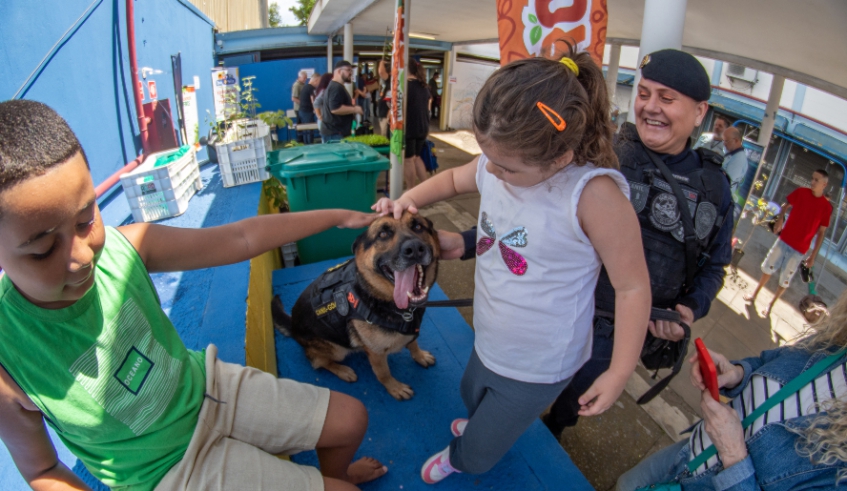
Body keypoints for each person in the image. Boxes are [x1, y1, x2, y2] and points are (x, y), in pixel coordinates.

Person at [0, 100, 387, 491]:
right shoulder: (7, 356)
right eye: (43, 250)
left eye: (86, 220)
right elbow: (42, 470)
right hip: (163, 471)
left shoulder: (125, 247)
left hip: (205, 389)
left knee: (351, 419)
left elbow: (239, 237)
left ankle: (331, 477)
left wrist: (337, 217)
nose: (82, 256)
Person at [373, 52, 652, 484]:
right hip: (490, 333)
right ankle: (481, 425)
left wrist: (618, 371)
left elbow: (633, 287)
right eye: (486, 156)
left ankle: (463, 456)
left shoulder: (593, 196)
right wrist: (407, 202)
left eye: (505, 167)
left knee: (485, 446)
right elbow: (453, 180)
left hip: (540, 361)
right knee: (472, 391)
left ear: (560, 157)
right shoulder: (499, 163)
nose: (491, 170)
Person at [539, 49, 734, 436]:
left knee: (574, 401)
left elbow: (715, 266)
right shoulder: (601, 151)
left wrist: (689, 310)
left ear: (699, 112)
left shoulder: (715, 187)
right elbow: (542, 211)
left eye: (667, 98)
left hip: (617, 334)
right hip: (559, 305)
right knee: (526, 383)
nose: (650, 107)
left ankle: (554, 429)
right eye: (644, 94)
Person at [616, 291, 847, 491]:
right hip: (692, 451)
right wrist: (737, 374)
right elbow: (771, 360)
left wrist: (733, 454)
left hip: (707, 480)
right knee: (626, 483)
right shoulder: (837, 344)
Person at [744, 169, 833, 316]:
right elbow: (785, 205)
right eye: (812, 178)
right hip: (784, 239)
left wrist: (813, 256)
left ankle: (770, 305)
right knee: (768, 268)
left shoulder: (826, 208)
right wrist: (780, 219)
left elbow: (821, 233)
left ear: (824, 184)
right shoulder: (802, 192)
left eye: (816, 180)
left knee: (785, 279)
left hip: (800, 248)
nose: (812, 182)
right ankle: (754, 294)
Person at [404, 59, 433, 189]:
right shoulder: (424, 86)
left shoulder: (405, 87)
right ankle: (426, 188)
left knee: (408, 160)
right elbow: (428, 106)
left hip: (410, 127)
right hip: (423, 127)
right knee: (416, 158)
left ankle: (411, 190)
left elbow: (401, 108)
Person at [323, 60, 363, 142]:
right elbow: (335, 109)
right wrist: (355, 109)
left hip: (336, 132)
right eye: (348, 70)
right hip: (335, 134)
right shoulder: (336, 87)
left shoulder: (337, 86)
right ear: (339, 71)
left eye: (351, 71)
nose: (351, 73)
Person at [721, 126, 747, 192]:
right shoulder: (731, 153)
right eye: (723, 141)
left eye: (726, 141)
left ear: (736, 140)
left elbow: (726, 181)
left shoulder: (738, 159)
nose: (724, 144)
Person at [298, 73, 320, 144]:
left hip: (302, 111)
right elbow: (313, 101)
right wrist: (316, 111)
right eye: (319, 82)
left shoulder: (305, 87)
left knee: (305, 130)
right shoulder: (311, 88)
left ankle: (307, 144)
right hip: (307, 112)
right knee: (309, 130)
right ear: (316, 80)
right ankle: (310, 145)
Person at [313, 73, 334, 138]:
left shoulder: (321, 90)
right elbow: (316, 103)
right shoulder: (324, 92)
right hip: (324, 121)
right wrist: (320, 117)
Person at [292, 70, 307, 142]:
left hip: (303, 108)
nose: (305, 79)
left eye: (306, 78)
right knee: (300, 124)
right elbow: (293, 98)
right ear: (299, 77)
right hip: (298, 108)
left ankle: (304, 139)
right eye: (304, 78)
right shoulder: (296, 85)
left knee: (303, 124)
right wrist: (303, 103)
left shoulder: (303, 85)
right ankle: (299, 139)